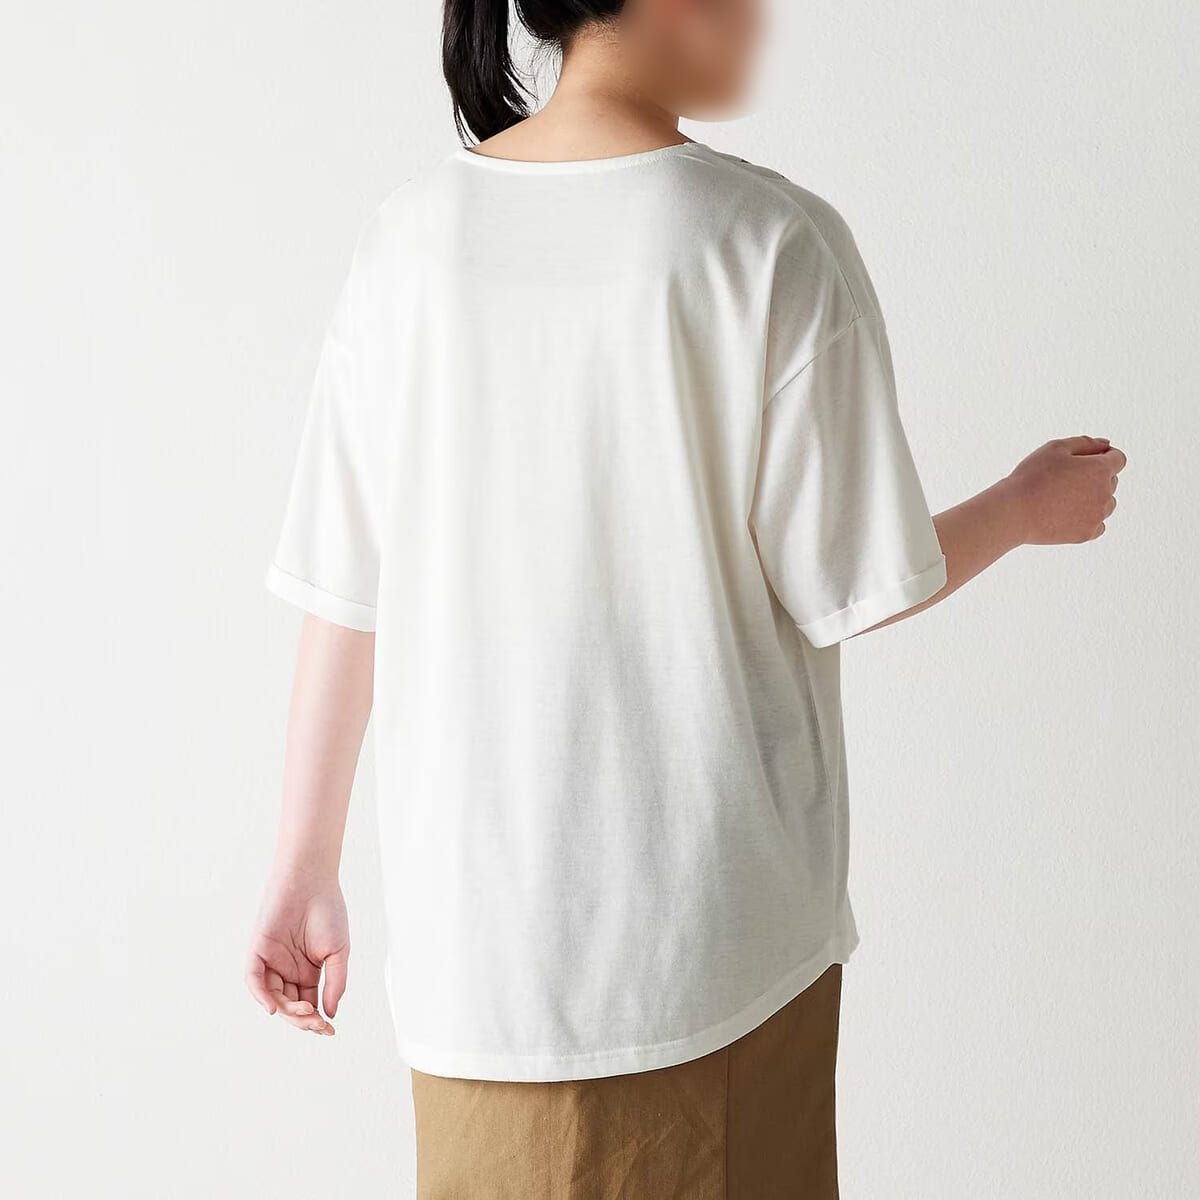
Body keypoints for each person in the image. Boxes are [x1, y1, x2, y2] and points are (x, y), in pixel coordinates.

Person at [245, 1, 1126, 1196]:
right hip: (716, 955)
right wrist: (1023, 507)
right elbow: (856, 585)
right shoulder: (766, 241)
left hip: (475, 975)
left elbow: (347, 592)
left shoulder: (406, 239)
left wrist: (303, 863)